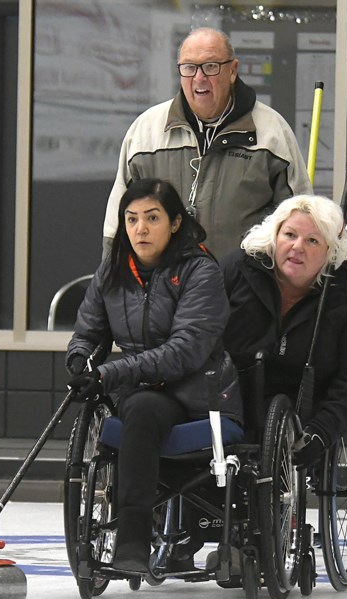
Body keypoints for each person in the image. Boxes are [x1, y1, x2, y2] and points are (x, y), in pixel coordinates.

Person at [66, 177, 242, 574]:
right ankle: (136, 538)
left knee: (142, 409)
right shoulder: (111, 270)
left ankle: (132, 542)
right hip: (139, 390)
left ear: (175, 223)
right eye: (131, 219)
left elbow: (185, 351)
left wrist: (109, 374)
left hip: (199, 395)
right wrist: (80, 363)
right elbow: (88, 333)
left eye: (151, 218)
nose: (140, 229)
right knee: (141, 407)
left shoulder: (200, 271)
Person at [103, 27, 312, 262]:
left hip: (243, 293)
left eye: (211, 66)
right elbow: (117, 222)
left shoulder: (272, 133)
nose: (199, 78)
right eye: (189, 68)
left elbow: (301, 224)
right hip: (164, 293)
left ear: (232, 71)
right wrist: (115, 289)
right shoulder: (145, 132)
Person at [220, 194, 347, 468]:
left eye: (313, 240)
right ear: (274, 235)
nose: (297, 247)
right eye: (290, 234)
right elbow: (200, 339)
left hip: (304, 412)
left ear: (331, 251)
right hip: (233, 399)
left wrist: (320, 432)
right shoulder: (236, 271)